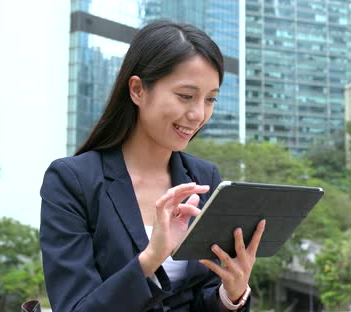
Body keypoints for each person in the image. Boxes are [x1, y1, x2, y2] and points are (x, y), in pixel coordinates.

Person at [39, 20, 265, 312]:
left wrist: (230, 295)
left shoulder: (203, 178)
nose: (198, 114)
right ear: (137, 90)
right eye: (186, 96)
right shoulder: (72, 181)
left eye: (210, 99)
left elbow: (200, 298)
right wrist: (151, 259)